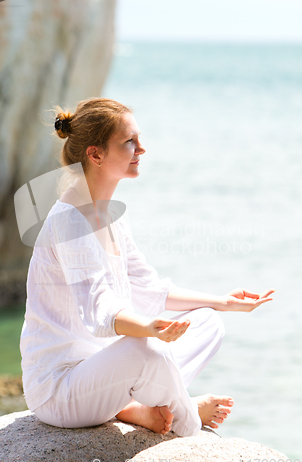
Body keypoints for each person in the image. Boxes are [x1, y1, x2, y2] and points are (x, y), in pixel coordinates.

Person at [20, 97, 274, 436]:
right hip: (61, 389)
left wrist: (222, 302)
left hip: (102, 372)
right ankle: (188, 422)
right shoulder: (70, 222)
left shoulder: (109, 215)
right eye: (129, 142)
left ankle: (138, 407)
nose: (142, 148)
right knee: (146, 348)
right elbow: (101, 312)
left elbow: (150, 289)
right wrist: (150, 329)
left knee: (206, 323)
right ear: (95, 155)